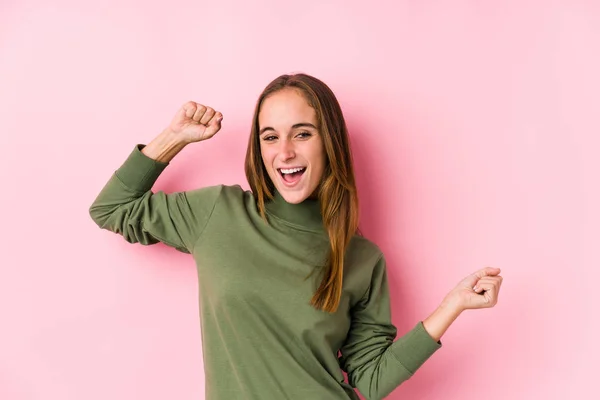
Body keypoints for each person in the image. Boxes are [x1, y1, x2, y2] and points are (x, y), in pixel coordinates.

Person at [89, 73, 503, 400]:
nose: (284, 151)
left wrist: (452, 307)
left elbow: (372, 381)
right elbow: (111, 209)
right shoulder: (218, 213)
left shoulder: (361, 258)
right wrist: (174, 137)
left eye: (302, 133)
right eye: (271, 136)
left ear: (329, 143)